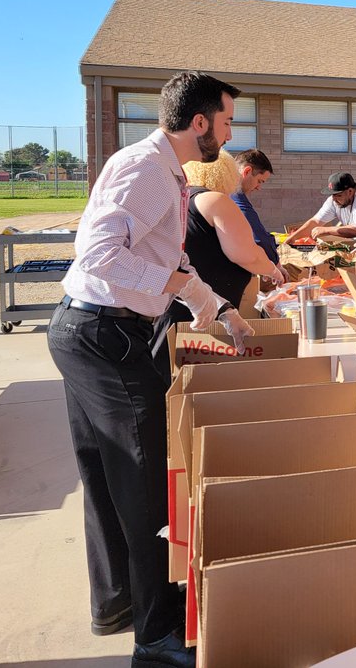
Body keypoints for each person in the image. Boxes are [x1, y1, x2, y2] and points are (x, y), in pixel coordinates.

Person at [47, 72, 254, 668]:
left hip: (90, 332)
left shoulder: (169, 174)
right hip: (104, 334)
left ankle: (115, 603)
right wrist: (181, 287)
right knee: (147, 489)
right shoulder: (142, 168)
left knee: (105, 474)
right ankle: (157, 637)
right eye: (228, 120)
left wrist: (220, 313)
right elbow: (101, 255)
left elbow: (172, 255)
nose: (230, 131)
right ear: (199, 123)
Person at [158, 151, 286, 334]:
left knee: (170, 359)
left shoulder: (185, 199)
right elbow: (245, 254)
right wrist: (272, 270)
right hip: (205, 314)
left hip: (183, 306)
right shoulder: (214, 199)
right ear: (225, 173)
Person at [288, 172, 356, 241]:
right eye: (332, 195)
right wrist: (291, 240)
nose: (334, 199)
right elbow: (315, 222)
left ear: (350, 191)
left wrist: (325, 230)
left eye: (338, 195)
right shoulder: (334, 200)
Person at [230, 148, 279, 265]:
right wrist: (276, 263)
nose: (258, 187)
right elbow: (260, 238)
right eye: (259, 181)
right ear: (247, 172)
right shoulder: (235, 196)